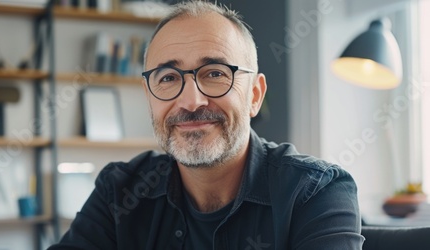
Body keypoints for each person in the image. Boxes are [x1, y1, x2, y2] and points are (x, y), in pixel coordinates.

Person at [48, 1, 364, 249]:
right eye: (169, 78)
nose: (191, 101)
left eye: (214, 73)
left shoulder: (315, 194)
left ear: (254, 95)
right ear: (150, 98)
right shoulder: (119, 192)